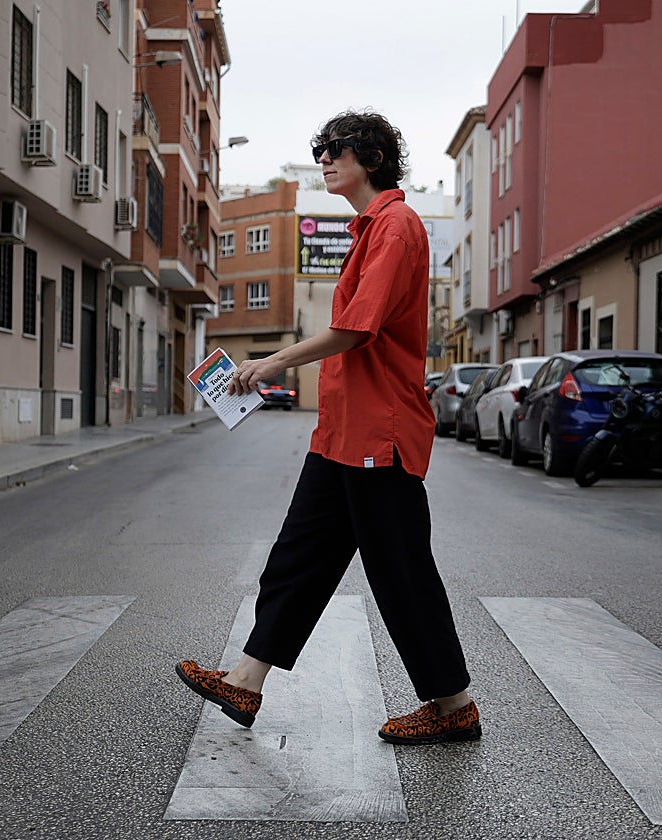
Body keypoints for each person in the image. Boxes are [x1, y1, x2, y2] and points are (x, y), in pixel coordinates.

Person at [176, 110, 479, 745]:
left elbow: (358, 328)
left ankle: (453, 707)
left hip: (380, 435)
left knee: (400, 571)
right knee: (299, 558)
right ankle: (247, 680)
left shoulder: (395, 227)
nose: (325, 161)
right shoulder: (369, 229)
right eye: (322, 152)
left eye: (336, 151)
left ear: (370, 157)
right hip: (341, 434)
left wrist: (272, 361)